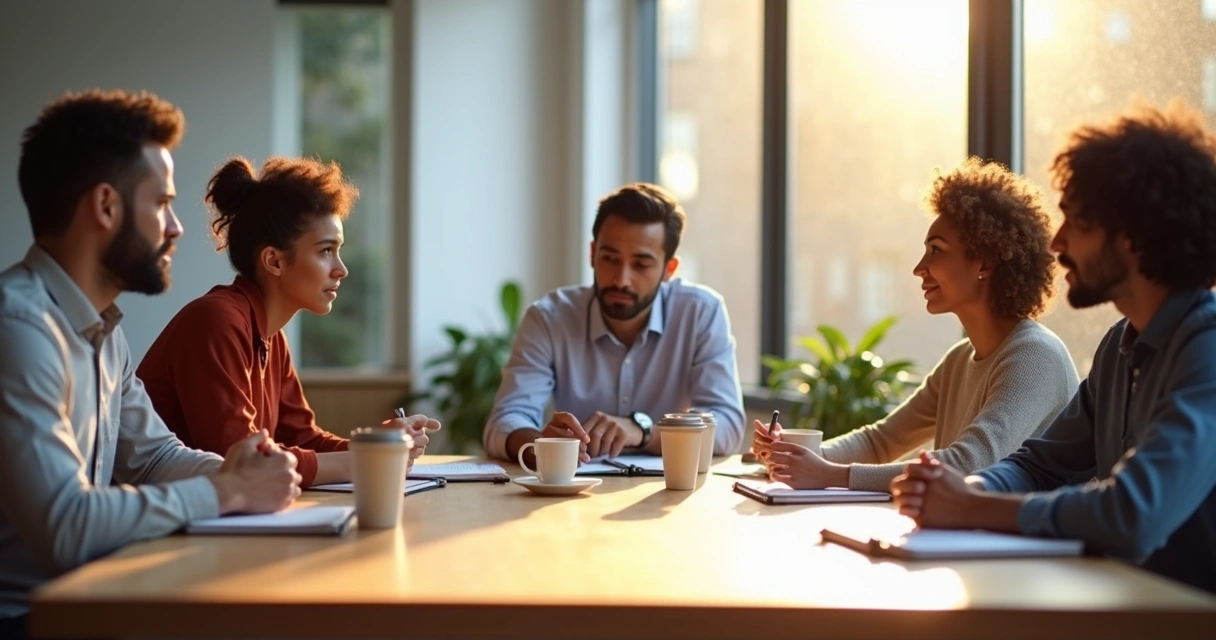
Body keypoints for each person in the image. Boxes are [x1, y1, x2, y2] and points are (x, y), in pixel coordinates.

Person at [0, 90, 300, 636]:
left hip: (92, 598)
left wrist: (239, 470)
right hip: (27, 619)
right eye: (161, 203)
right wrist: (228, 490)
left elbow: (153, 456)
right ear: (106, 206)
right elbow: (66, 527)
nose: (177, 227)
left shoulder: (102, 330)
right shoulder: (17, 329)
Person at [892, 101, 1216, 594]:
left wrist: (969, 505)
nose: (1056, 242)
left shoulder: (1207, 351)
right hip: (1125, 607)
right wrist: (966, 488)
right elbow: (1040, 464)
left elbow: (1132, 513)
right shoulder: (1117, 349)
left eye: (1077, 223)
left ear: (1132, 235)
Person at [753, 159, 1078, 492]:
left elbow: (969, 464)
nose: (919, 268)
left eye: (936, 250)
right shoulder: (958, 360)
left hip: (1031, 543)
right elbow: (881, 442)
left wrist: (832, 475)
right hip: (972, 539)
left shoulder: (1035, 356)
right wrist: (796, 457)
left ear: (986, 262)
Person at [138, 157, 439, 488]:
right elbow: (243, 458)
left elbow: (304, 438)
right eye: (326, 251)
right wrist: (364, 460)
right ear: (274, 261)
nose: (341, 269)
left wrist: (379, 446)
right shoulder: (215, 321)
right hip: (162, 530)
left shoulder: (271, 335)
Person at [484, 183, 745, 465]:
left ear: (668, 270)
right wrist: (540, 448)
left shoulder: (701, 313)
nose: (621, 279)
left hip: (666, 495)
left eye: (641, 265)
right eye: (609, 258)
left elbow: (727, 425)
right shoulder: (549, 318)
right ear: (593, 254)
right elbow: (505, 421)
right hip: (572, 495)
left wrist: (643, 432)